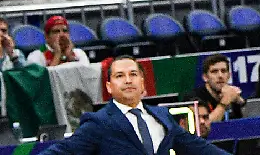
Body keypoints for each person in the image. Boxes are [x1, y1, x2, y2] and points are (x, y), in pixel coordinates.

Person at [40, 56, 229, 155]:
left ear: (142, 83)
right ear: (109, 87)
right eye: (120, 76)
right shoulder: (98, 123)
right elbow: (64, 152)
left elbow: (200, 149)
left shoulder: (162, 117)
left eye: (133, 74)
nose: (128, 80)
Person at [187, 54, 244, 122]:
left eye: (223, 71)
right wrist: (224, 102)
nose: (220, 76)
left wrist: (239, 101)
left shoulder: (232, 93)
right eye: (214, 72)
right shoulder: (193, 98)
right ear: (205, 77)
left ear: (229, 76)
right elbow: (203, 126)